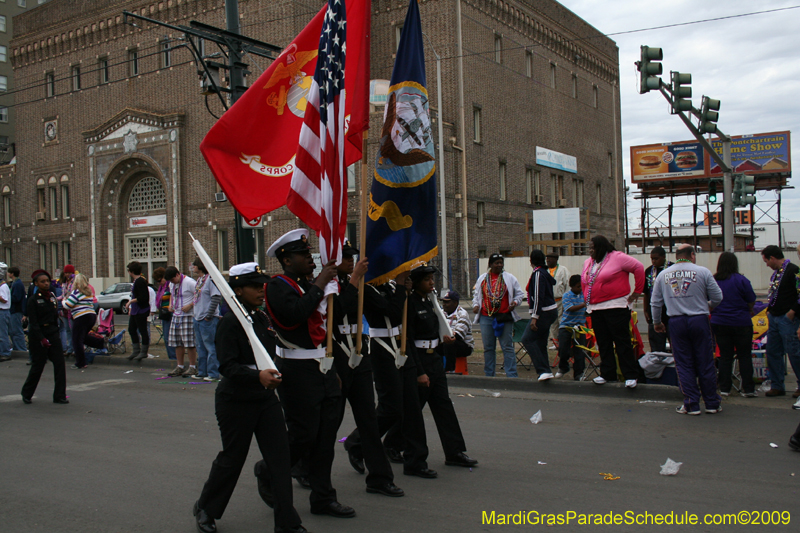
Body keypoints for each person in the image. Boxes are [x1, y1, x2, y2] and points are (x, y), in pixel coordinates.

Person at [193, 262, 307, 533]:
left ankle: (287, 524)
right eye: (255, 286)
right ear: (239, 290)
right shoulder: (231, 323)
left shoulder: (260, 318)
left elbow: (271, 355)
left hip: (265, 399)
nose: (261, 290)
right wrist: (258, 377)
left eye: (262, 285)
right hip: (236, 400)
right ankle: (206, 508)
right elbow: (227, 367)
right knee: (232, 458)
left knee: (280, 460)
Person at [261, 229, 355, 518]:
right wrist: (319, 285)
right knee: (304, 435)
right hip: (296, 369)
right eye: (303, 255)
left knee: (326, 437)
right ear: (286, 259)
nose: (310, 258)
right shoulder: (277, 286)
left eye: (308, 253)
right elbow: (293, 317)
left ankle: (323, 497)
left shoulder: (308, 283)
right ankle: (268, 470)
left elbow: (329, 323)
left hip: (323, 366)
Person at [328, 240, 404, 497]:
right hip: (337, 357)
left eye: (353, 257)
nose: (351, 261)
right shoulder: (327, 285)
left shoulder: (360, 284)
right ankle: (304, 466)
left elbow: (385, 310)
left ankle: (379, 478)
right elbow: (339, 312)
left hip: (360, 355)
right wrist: (355, 279)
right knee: (330, 423)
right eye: (346, 257)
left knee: (369, 421)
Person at [347, 268, 434, 479]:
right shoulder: (367, 289)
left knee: (412, 407)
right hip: (382, 348)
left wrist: (401, 287)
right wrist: (402, 288)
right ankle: (357, 443)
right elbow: (393, 313)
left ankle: (416, 460)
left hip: (402, 345)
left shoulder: (390, 287)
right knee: (391, 407)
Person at [407, 263, 478, 468]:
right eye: (427, 279)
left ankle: (454, 452)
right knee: (409, 411)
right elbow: (410, 340)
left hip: (435, 359)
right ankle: (386, 444)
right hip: (420, 361)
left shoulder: (431, 302)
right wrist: (419, 371)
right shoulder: (411, 303)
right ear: (416, 282)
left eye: (432, 279)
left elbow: (435, 331)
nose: (432, 282)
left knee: (444, 407)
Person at [651, 245, 723, 414]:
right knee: (705, 362)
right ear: (692, 255)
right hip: (699, 319)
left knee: (683, 363)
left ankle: (691, 403)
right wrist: (708, 306)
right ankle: (712, 403)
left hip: (676, 321)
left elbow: (655, 302)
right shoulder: (703, 272)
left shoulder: (663, 274)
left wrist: (657, 322)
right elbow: (718, 297)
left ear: (676, 256)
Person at [581, 235, 644, 388]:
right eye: (589, 248)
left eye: (593, 248)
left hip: (616, 306)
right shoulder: (588, 263)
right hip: (596, 308)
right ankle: (607, 373)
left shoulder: (618, 258)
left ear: (601, 247)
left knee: (622, 342)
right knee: (603, 342)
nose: (590, 251)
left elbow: (639, 268)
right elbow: (585, 282)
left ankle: (630, 375)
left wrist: (637, 292)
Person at [711, 252, 757, 397]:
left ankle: (724, 388)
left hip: (720, 322)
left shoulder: (714, 280)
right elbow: (751, 299)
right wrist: (748, 309)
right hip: (741, 322)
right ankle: (748, 389)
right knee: (744, 356)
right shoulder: (742, 280)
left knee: (725, 356)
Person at [472, 254, 524, 377]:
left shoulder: (509, 278)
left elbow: (520, 294)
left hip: (504, 316)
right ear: (490, 264)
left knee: (507, 346)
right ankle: (489, 374)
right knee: (489, 347)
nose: (499, 265)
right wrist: (476, 305)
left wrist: (515, 302)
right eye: (496, 263)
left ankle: (511, 374)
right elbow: (477, 295)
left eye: (501, 262)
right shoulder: (483, 279)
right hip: (486, 316)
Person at [21, 269, 68, 404]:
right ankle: (27, 393)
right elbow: (34, 323)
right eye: (42, 282)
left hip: (53, 333)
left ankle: (59, 395)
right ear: (36, 284)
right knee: (38, 365)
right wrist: (41, 338)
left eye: (47, 281)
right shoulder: (33, 300)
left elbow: (54, 316)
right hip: (39, 335)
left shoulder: (52, 297)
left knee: (59, 364)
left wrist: (56, 332)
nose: (46, 283)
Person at [762, 245, 800, 398]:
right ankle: (777, 385)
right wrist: (770, 309)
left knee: (794, 352)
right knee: (772, 351)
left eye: (766, 261)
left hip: (787, 318)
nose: (767, 265)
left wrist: (792, 312)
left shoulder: (793, 270)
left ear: (772, 258)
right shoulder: (777, 274)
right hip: (774, 317)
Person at [521, 250, 558, 381]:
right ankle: (546, 370)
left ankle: (542, 369)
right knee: (541, 342)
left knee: (527, 339)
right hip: (550, 311)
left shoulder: (537, 274)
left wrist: (534, 317)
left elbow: (538, 297)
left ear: (531, 260)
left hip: (544, 312)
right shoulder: (544, 272)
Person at [63, 273, 105, 369]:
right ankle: (100, 343)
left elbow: (67, 305)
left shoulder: (76, 292)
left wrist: (63, 301)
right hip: (91, 316)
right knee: (83, 337)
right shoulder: (88, 292)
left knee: (76, 340)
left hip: (81, 317)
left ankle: (81, 362)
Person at [191, 257, 222, 381]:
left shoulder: (210, 279)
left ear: (200, 266)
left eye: (194, 265)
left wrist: (209, 315)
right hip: (197, 317)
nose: (192, 267)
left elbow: (216, 297)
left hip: (207, 318)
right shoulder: (199, 280)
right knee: (200, 346)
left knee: (210, 346)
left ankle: (213, 373)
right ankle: (202, 371)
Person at [165, 266, 198, 377]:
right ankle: (180, 366)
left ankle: (192, 366)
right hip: (176, 315)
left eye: (173, 279)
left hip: (187, 315)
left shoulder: (189, 282)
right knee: (177, 342)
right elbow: (172, 295)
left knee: (189, 342)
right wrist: (170, 305)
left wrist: (190, 305)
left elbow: (198, 295)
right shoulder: (172, 284)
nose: (172, 282)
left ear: (178, 274)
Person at [556, 275, 587, 380]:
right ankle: (563, 367)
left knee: (580, 350)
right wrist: (584, 305)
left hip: (579, 326)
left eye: (581, 286)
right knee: (563, 349)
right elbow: (570, 308)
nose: (580, 289)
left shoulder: (584, 295)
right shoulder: (566, 295)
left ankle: (579, 373)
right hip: (566, 325)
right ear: (572, 286)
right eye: (578, 287)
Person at [643, 246, 673, 352]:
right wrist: (645, 310)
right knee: (656, 347)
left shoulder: (672, 269)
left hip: (671, 313)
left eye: (656, 258)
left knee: (676, 345)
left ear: (664, 257)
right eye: (652, 259)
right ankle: (658, 367)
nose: (654, 261)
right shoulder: (648, 272)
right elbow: (646, 293)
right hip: (655, 313)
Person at [440, 290, 473, 373]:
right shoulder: (442, 313)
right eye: (443, 302)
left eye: (447, 302)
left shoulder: (462, 314)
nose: (444, 304)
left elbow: (457, 335)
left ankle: (450, 370)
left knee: (450, 343)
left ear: (455, 303)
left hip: (464, 345)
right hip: (445, 340)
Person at [546, 252, 570, 347]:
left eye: (550, 259)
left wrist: (567, 299)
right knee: (552, 323)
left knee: (562, 321)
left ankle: (564, 342)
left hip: (560, 300)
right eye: (547, 259)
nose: (548, 261)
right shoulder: (545, 270)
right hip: (549, 301)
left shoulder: (563, 270)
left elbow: (567, 285)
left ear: (556, 260)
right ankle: (556, 343)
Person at [152, 267, 176, 361]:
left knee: (170, 337)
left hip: (170, 314)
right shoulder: (161, 288)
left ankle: (174, 357)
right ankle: (171, 356)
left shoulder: (170, 286)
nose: (158, 283)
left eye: (159, 280)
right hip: (164, 314)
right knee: (166, 337)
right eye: (156, 281)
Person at [7, 266, 28, 354]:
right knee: (12, 330)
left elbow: (17, 298)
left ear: (12, 274)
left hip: (16, 310)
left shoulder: (17, 284)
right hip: (13, 310)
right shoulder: (14, 283)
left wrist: (7, 296)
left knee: (17, 330)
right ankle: (16, 347)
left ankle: (21, 349)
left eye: (9, 272)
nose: (7, 274)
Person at [0, 262, 11, 362]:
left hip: (3, 311)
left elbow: (4, 299)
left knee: (2, 333)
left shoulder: (3, 286)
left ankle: (6, 352)